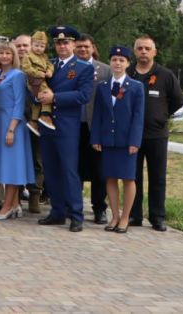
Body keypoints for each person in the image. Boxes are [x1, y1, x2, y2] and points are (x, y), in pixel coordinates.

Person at [38, 26, 94, 232]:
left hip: (67, 126)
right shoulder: (48, 65)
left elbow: (83, 96)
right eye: (59, 42)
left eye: (66, 42)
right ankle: (57, 211)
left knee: (69, 171)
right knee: (50, 170)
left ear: (73, 44)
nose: (62, 46)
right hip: (46, 125)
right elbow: (37, 86)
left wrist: (56, 98)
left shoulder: (83, 67)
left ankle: (76, 214)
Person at [127, 35, 183, 232]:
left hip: (157, 135)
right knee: (132, 177)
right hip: (131, 136)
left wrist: (161, 116)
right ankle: (134, 215)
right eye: (140, 48)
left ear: (154, 52)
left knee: (157, 177)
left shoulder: (166, 75)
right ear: (135, 51)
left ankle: (157, 216)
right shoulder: (128, 73)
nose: (143, 51)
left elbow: (178, 101)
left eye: (147, 48)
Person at [91, 45, 145, 234]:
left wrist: (135, 141)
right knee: (110, 178)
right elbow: (97, 115)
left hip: (126, 141)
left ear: (128, 63)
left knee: (129, 179)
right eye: (114, 60)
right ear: (110, 62)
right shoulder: (103, 87)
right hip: (107, 140)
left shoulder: (136, 87)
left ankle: (124, 217)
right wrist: (96, 137)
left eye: (122, 60)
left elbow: (138, 117)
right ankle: (114, 215)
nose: (117, 63)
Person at [0, 42, 34, 220]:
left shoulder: (17, 75)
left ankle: (6, 206)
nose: (4, 56)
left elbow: (19, 103)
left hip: (12, 122)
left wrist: (12, 129)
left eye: (8, 53)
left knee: (12, 165)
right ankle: (15, 205)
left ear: (13, 56)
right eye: (1, 53)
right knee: (4, 163)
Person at [75, 33, 111, 225]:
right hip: (73, 127)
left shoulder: (105, 70)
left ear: (93, 48)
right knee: (75, 169)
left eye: (86, 46)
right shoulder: (69, 68)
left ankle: (99, 209)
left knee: (99, 171)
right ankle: (75, 207)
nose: (82, 49)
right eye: (79, 46)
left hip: (96, 128)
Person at [12, 33, 44, 213]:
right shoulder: (10, 68)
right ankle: (14, 195)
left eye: (25, 45)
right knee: (16, 158)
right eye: (19, 46)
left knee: (36, 159)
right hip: (15, 121)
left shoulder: (40, 66)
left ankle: (34, 195)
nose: (22, 49)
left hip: (35, 119)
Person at [21, 31, 56, 134]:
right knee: (47, 95)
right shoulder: (28, 56)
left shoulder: (44, 57)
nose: (39, 48)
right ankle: (45, 116)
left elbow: (50, 65)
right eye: (36, 45)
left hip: (42, 80)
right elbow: (26, 68)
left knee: (37, 101)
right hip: (34, 81)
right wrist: (37, 73)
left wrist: (50, 71)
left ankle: (34, 121)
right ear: (31, 44)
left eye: (42, 46)